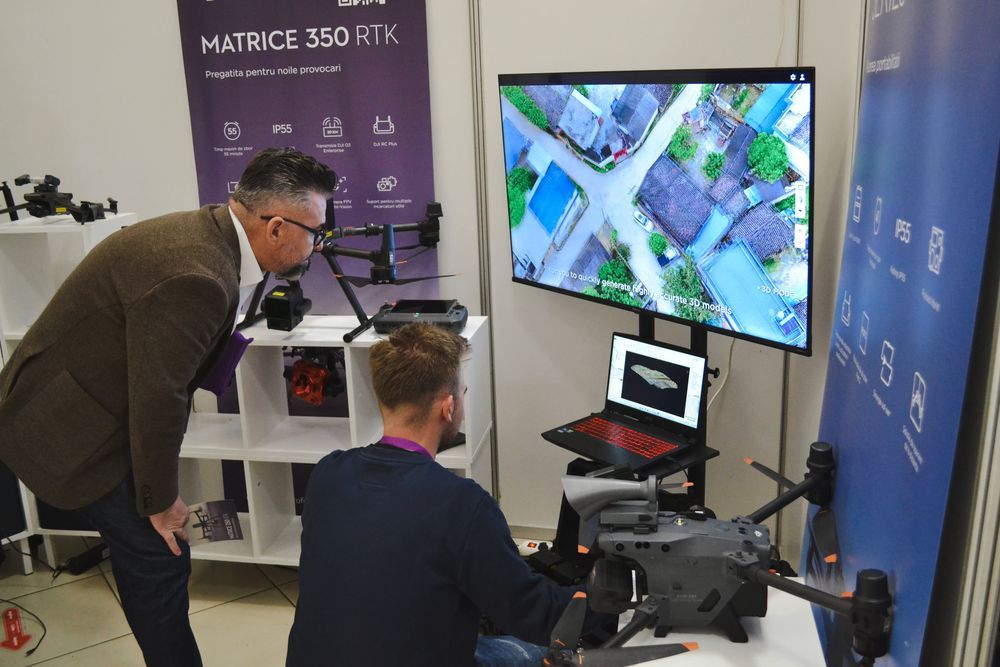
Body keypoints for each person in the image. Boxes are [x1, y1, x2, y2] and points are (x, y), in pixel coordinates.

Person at [0, 147, 336, 666]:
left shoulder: (208, 236)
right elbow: (160, 397)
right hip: (66, 425)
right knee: (161, 554)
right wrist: (161, 501)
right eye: (315, 232)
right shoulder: (195, 275)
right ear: (274, 228)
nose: (317, 245)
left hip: (86, 403)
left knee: (157, 553)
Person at [286, 323, 592, 667]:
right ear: (447, 407)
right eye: (462, 392)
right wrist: (606, 597)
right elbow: (537, 616)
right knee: (540, 651)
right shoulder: (463, 505)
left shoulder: (328, 473)